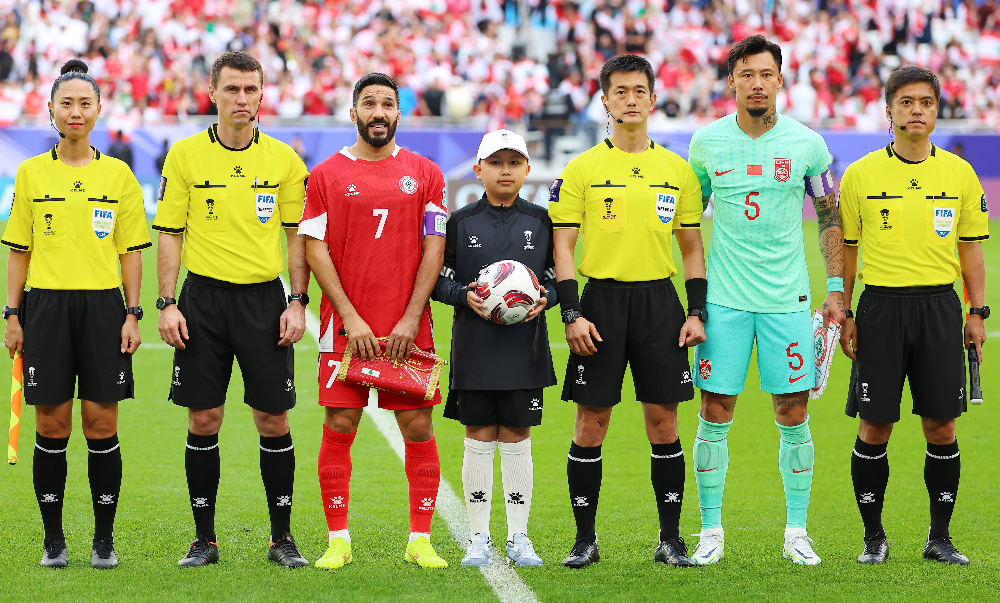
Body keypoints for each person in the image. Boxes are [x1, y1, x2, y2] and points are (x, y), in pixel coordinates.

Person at [686, 35, 844, 566]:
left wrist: (837, 290)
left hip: (787, 302)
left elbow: (830, 218)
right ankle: (711, 532)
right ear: (731, 80)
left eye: (766, 74)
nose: (757, 83)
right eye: (746, 73)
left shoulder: (808, 144)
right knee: (715, 409)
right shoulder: (705, 144)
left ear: (781, 80)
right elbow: (688, 223)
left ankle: (796, 531)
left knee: (793, 410)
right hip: (725, 302)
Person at [152, 51, 310, 568]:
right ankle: (204, 540)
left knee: (273, 418)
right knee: (204, 418)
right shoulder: (184, 156)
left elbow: (297, 239)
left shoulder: (285, 160)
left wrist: (297, 300)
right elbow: (169, 234)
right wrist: (168, 303)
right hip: (203, 303)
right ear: (213, 93)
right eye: (232, 90)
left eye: (251, 90)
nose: (242, 100)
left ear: (262, 93)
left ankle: (281, 539)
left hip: (265, 301)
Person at [550, 54, 707, 569]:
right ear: (605, 100)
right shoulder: (583, 168)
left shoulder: (676, 169)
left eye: (639, 90)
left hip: (660, 305)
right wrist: (571, 314)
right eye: (620, 91)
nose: (631, 99)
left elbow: (690, 249)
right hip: (601, 302)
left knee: (664, 423)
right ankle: (584, 540)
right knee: (590, 424)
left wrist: (695, 311)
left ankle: (670, 540)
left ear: (653, 98)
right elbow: (565, 247)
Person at [2, 59, 151, 569]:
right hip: (44, 307)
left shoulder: (118, 174)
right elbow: (18, 250)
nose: (75, 111)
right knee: (52, 425)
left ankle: (103, 540)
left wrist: (133, 313)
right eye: (66, 102)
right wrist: (12, 314)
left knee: (101, 422)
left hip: (103, 308)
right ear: (50, 109)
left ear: (98, 110)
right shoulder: (30, 172)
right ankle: (53, 539)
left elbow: (131, 250)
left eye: (85, 103)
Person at [838, 66, 989, 565]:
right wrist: (846, 310)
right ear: (889, 112)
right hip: (880, 309)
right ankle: (872, 538)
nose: (916, 110)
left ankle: (939, 538)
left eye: (925, 101)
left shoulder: (959, 173)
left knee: (941, 428)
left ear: (936, 109)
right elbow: (848, 253)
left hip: (941, 310)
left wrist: (977, 312)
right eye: (906, 102)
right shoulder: (860, 175)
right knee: (874, 428)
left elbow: (971, 251)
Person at [299, 73, 449, 570]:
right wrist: (349, 316)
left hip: (408, 325)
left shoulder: (426, 173)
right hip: (344, 326)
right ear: (354, 113)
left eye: (388, 103)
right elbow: (313, 246)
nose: (378, 112)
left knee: (417, 424)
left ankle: (420, 539)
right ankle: (337, 539)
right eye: (369, 103)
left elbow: (435, 246)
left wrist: (409, 317)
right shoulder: (324, 175)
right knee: (340, 422)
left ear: (399, 114)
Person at [433, 129, 555, 567]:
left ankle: (519, 537)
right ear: (478, 169)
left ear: (526, 169)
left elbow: (558, 277)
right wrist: (463, 293)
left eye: (514, 162)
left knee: (519, 437)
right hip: (475, 348)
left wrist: (548, 298)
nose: (505, 170)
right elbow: (437, 281)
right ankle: (479, 537)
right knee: (479, 437)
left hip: (526, 349)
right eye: (496, 162)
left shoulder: (541, 221)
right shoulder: (460, 221)